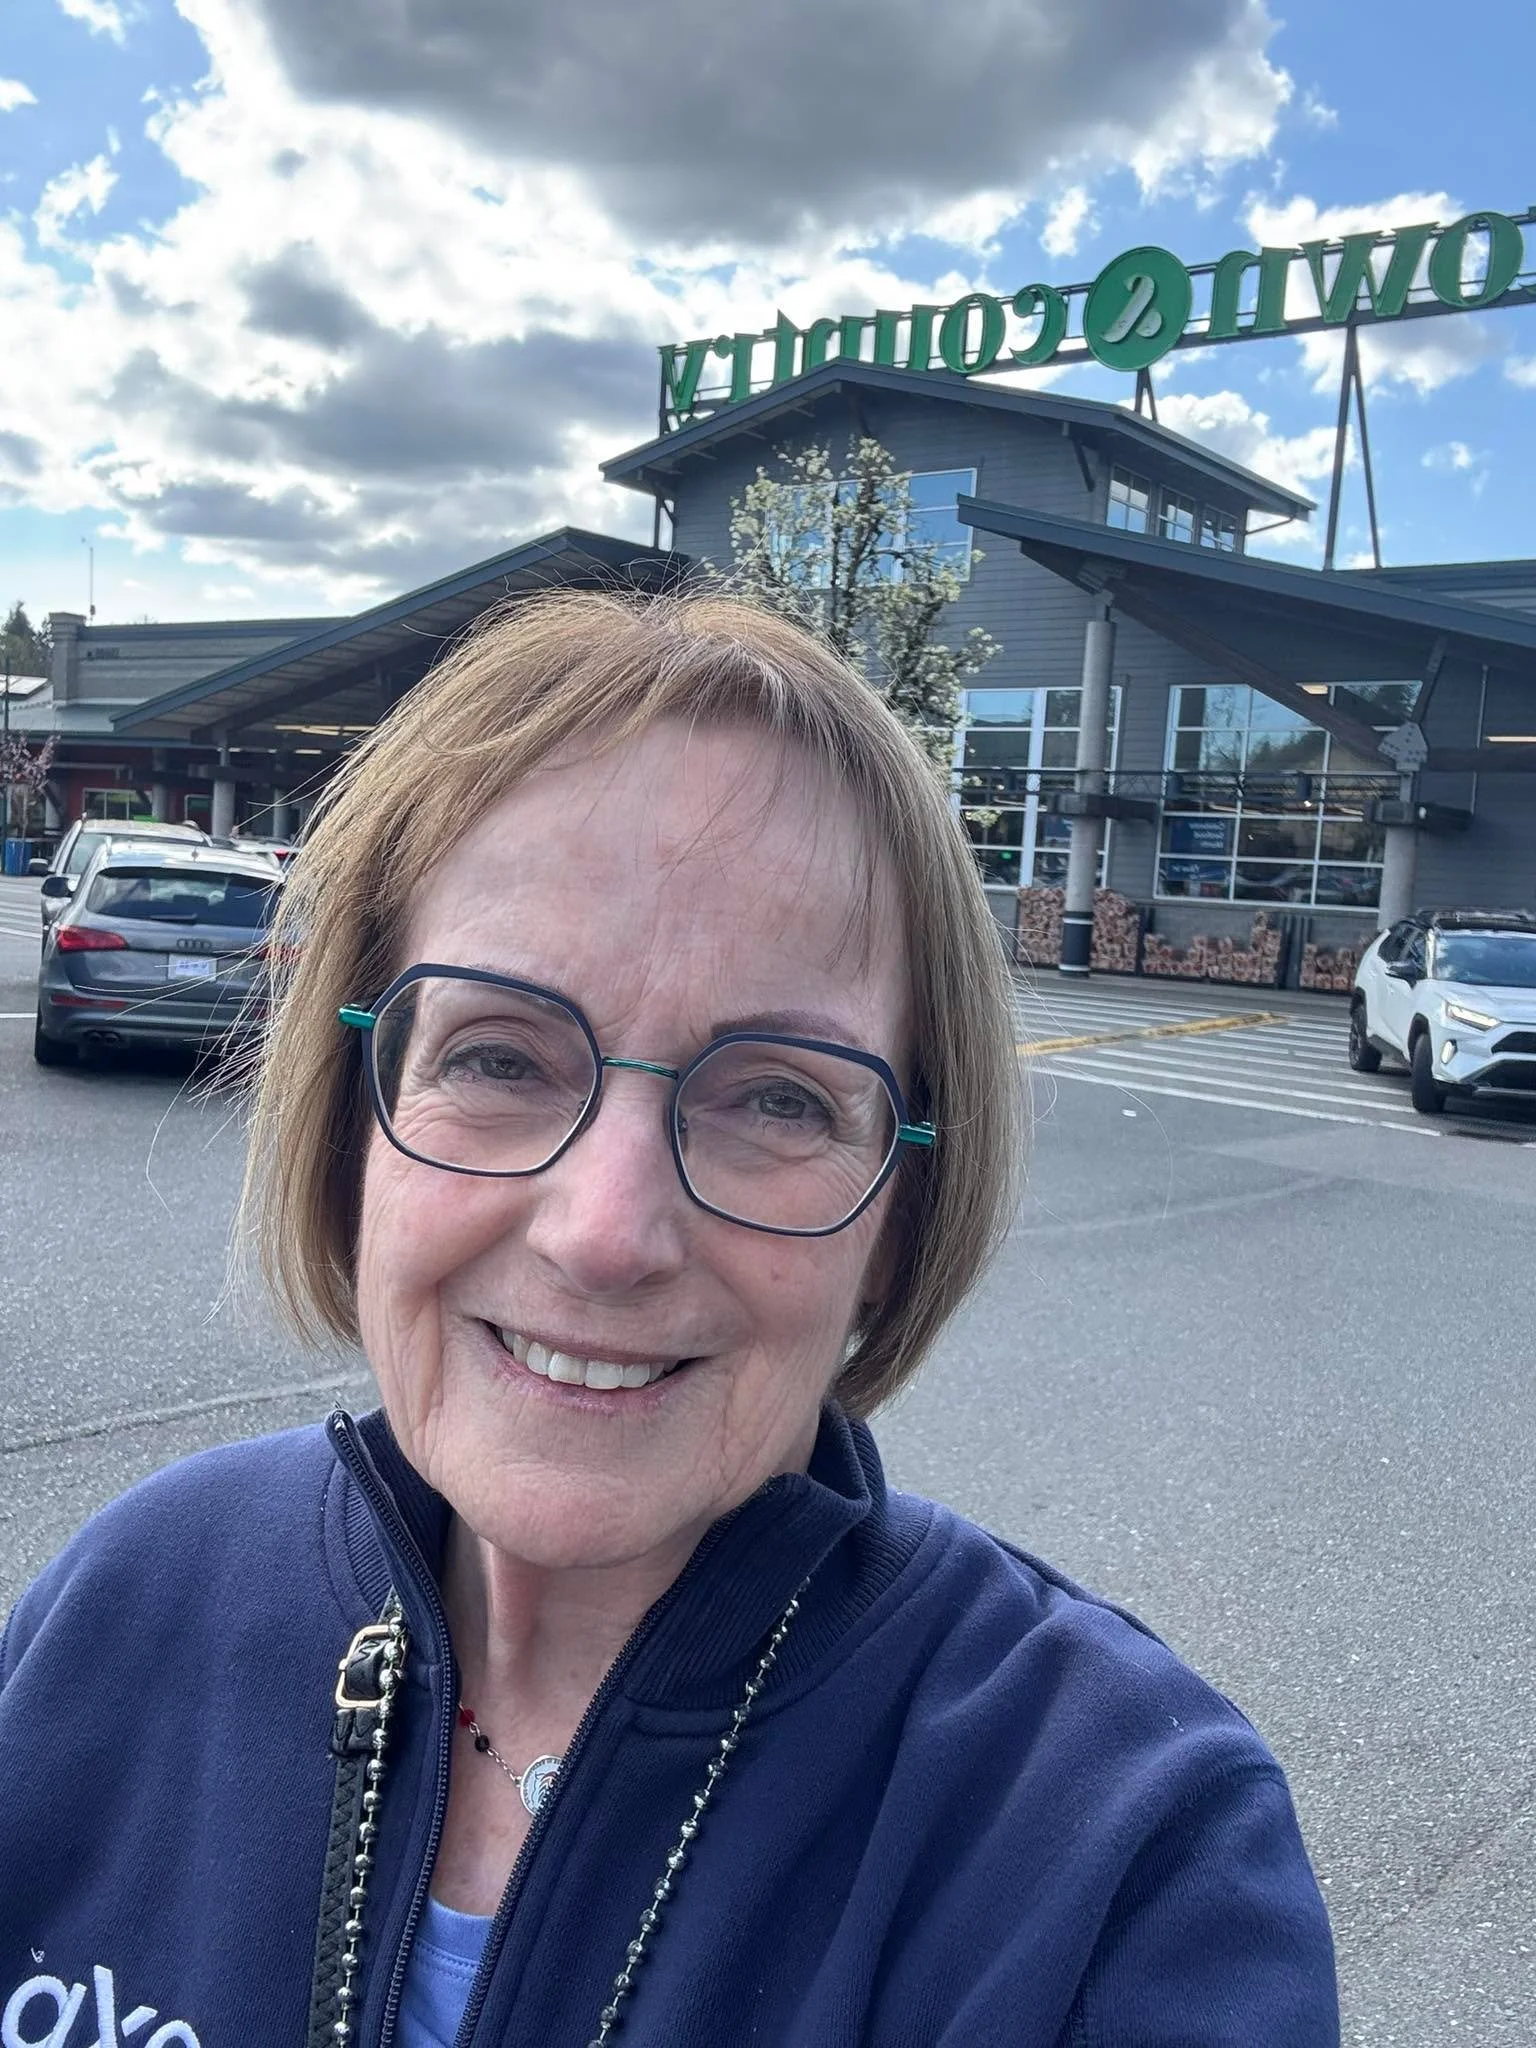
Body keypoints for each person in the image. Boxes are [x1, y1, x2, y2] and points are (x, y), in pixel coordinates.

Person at [0, 593, 1338, 2047]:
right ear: (353, 1132)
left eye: (777, 1096)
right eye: (499, 1054)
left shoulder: (1120, 1855)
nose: (606, 1230)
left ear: (893, 1218)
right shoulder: (129, 1607)